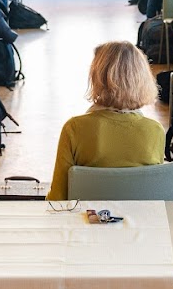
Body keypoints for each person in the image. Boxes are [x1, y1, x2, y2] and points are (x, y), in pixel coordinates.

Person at [47, 41, 164, 201]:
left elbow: (58, 198)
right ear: (142, 79)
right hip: (139, 221)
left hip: (86, 222)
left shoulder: (74, 128)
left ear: (97, 77)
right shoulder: (155, 131)